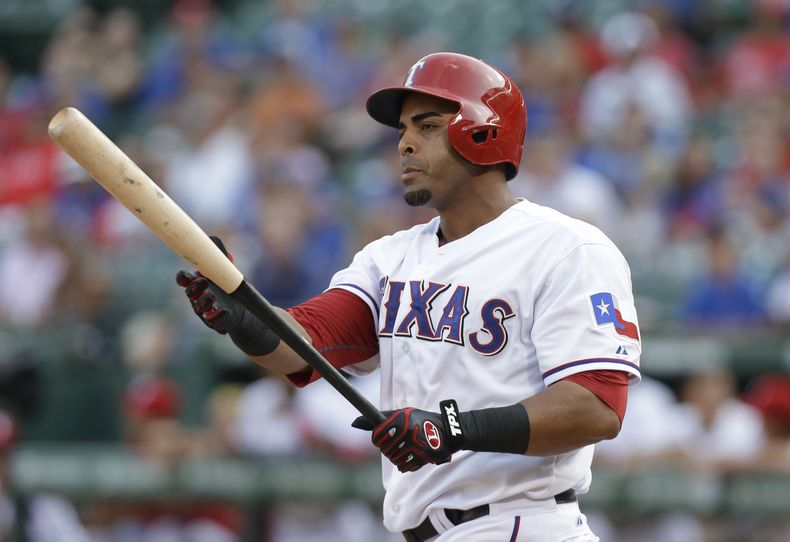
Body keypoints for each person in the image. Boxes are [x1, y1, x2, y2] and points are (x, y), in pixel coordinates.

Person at [177, 52, 641, 541]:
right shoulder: (390, 258)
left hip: (520, 520)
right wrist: (244, 315)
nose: (404, 145)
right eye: (402, 130)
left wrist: (453, 429)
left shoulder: (565, 247)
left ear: (482, 131)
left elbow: (597, 407)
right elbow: (304, 345)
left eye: (426, 126)